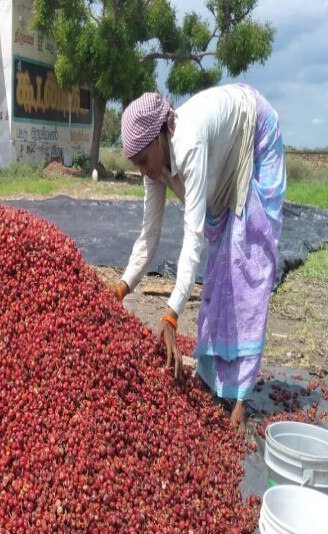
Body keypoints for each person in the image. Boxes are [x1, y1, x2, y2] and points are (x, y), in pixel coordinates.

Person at [114, 84, 286, 429]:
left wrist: (172, 314)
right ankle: (214, 378)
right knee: (219, 275)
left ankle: (241, 397)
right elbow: (149, 236)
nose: (143, 170)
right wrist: (121, 288)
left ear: (161, 138)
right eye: (136, 165)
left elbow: (191, 236)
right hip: (219, 179)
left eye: (144, 161)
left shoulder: (188, 143)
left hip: (253, 134)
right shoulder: (154, 167)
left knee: (246, 270)